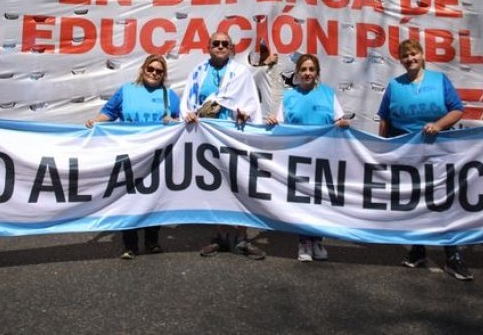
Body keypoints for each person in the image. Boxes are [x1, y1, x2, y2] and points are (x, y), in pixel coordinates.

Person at [376, 39, 473, 281]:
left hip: (439, 151)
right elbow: (385, 119)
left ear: (421, 55)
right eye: (405, 56)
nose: (410, 59)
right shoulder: (394, 85)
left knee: (444, 202)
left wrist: (438, 125)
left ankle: (453, 256)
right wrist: (382, 148)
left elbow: (457, 109)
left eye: (413, 54)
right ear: (400, 60)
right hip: (407, 153)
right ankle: (418, 249)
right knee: (414, 202)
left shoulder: (439, 80)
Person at [180, 31, 266, 260]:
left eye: (224, 44)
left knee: (238, 187)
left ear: (231, 48)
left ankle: (241, 237)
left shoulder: (241, 73)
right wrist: (188, 115)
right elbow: (188, 102)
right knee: (215, 187)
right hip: (206, 139)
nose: (220, 46)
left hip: (233, 137)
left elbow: (251, 104)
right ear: (208, 47)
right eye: (215, 43)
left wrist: (244, 114)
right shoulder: (198, 72)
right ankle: (219, 236)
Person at [85, 54, 180, 259]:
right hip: (128, 154)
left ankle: (152, 241)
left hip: (157, 157)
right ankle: (130, 245)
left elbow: (179, 123)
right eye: (150, 69)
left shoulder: (169, 95)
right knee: (128, 198)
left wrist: (172, 120)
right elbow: (108, 113)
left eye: (159, 71)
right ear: (142, 70)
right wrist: (95, 122)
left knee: (154, 198)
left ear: (163, 75)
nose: (154, 73)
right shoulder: (126, 91)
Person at [266, 54, 349, 262]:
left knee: (320, 201)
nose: (307, 73)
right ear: (297, 73)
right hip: (299, 158)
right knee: (303, 200)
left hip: (324, 157)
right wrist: (273, 122)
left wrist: (342, 123)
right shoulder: (289, 96)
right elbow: (281, 125)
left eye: (311, 69)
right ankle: (304, 241)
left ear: (317, 73)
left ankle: (317, 240)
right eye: (303, 69)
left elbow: (339, 119)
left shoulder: (329, 94)